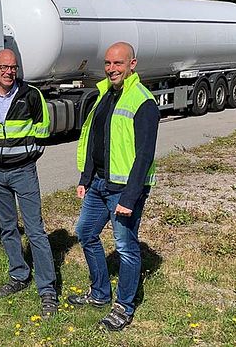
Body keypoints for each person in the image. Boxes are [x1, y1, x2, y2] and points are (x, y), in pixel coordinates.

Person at [69, 42, 159, 331]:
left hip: (123, 190)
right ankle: (99, 293)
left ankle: (124, 306)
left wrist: (130, 197)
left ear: (132, 64)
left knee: (125, 247)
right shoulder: (104, 95)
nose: (111, 69)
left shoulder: (142, 101)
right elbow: (95, 140)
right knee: (85, 232)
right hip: (98, 184)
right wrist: (85, 178)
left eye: (118, 64)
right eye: (108, 63)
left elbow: (144, 155)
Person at [0, 49, 59, 317]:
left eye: (13, 67)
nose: (9, 72)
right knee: (9, 228)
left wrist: (27, 156)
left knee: (35, 230)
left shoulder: (31, 95)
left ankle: (47, 289)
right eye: (4, 67)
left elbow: (43, 131)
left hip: (24, 171)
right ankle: (19, 275)